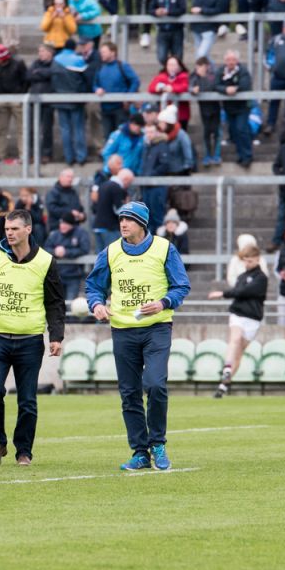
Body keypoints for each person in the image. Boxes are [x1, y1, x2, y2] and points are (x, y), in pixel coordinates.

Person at [85, 201, 190, 471]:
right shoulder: (109, 252)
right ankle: (140, 452)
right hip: (122, 330)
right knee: (129, 392)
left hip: (157, 328)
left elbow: (181, 286)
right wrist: (96, 304)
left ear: (142, 223)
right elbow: (94, 285)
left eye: (129, 219)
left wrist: (164, 302)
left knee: (155, 384)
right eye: (121, 219)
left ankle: (158, 444)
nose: (123, 224)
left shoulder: (165, 248)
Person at [0, 209, 66, 467]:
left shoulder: (45, 261)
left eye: (15, 229)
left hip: (30, 340)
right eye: (7, 229)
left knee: (27, 399)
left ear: (28, 230)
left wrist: (56, 336)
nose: (9, 233)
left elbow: (55, 302)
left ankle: (24, 451)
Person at [208, 242, 266, 398]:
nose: (247, 264)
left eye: (250, 261)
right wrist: (230, 293)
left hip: (253, 319)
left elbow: (244, 291)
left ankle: (223, 386)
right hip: (238, 314)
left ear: (257, 259)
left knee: (239, 354)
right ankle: (227, 369)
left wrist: (222, 294)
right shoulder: (242, 276)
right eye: (245, 261)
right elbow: (237, 291)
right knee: (235, 338)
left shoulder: (261, 278)